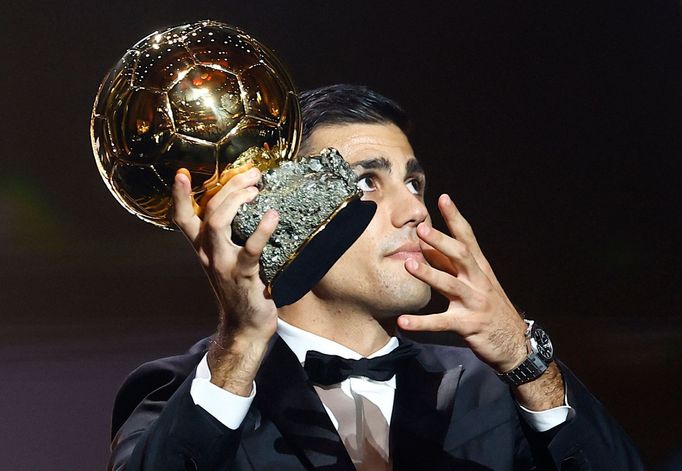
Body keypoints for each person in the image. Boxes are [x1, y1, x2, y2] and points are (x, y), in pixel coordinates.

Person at [108, 84, 643, 470]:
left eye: (415, 183)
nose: (414, 210)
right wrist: (240, 346)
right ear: (282, 212)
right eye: (367, 181)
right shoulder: (190, 388)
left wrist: (525, 357)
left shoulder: (493, 389)